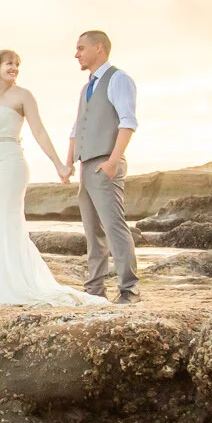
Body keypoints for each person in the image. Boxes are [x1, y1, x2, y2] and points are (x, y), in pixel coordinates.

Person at [0, 49, 106, 308]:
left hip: (11, 164)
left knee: (3, 219)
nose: (14, 68)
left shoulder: (23, 96)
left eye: (17, 64)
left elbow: (39, 131)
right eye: (9, 63)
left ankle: (9, 285)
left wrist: (59, 164)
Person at [64, 30, 139, 303]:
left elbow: (127, 122)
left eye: (81, 48)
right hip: (86, 165)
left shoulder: (118, 79)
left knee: (114, 227)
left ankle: (130, 289)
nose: (77, 54)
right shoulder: (86, 87)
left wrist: (112, 162)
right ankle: (94, 290)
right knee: (92, 233)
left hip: (106, 163)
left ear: (99, 47)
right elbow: (77, 127)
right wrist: (69, 162)